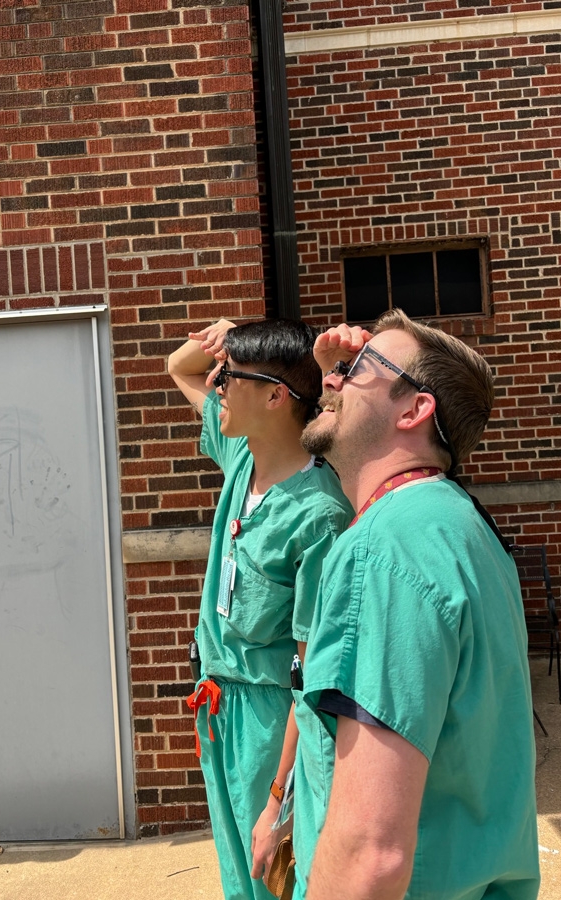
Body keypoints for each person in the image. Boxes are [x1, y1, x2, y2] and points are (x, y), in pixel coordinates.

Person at [291, 309, 540, 900]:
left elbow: (369, 856)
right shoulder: (459, 528)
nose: (331, 378)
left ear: (413, 410)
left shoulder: (387, 548)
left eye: (355, 369)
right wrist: (339, 381)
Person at [167, 317, 353, 900]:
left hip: (272, 724)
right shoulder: (242, 454)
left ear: (276, 396)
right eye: (220, 375)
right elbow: (179, 367)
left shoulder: (319, 514)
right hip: (218, 708)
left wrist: (279, 798)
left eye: (230, 376)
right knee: (237, 877)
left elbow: (310, 673)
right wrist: (222, 337)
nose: (217, 383)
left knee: (273, 876)